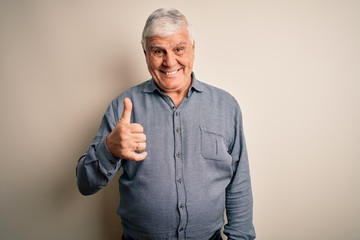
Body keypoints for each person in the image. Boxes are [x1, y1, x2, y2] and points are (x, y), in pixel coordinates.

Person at [76, 8, 256, 240]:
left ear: (193, 48)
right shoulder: (122, 106)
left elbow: (238, 184)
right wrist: (108, 149)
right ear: (145, 54)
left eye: (179, 49)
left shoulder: (226, 106)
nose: (169, 61)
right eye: (158, 51)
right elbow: (84, 184)